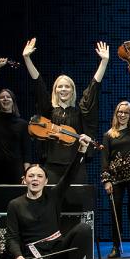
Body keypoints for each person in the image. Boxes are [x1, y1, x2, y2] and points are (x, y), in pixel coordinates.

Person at [5, 136, 96, 259]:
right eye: (31, 176)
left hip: (58, 252)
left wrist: (81, 150)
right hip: (35, 255)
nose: (35, 179)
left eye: (40, 176)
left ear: (46, 181)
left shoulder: (53, 196)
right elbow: (12, 237)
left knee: (84, 229)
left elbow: (69, 176)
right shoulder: (15, 204)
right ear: (24, 180)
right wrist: (18, 255)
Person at [22, 37, 109, 183]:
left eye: (67, 86)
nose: (63, 89)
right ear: (55, 90)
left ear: (72, 90)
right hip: (51, 168)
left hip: (75, 167)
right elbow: (39, 84)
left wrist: (104, 62)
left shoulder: (79, 111)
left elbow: (93, 88)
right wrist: (27, 58)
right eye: (60, 86)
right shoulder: (48, 111)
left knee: (77, 204)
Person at [100, 78, 130, 258]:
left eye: (126, 113)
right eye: (120, 112)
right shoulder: (108, 135)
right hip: (116, 178)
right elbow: (104, 158)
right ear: (116, 113)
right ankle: (116, 246)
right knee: (116, 211)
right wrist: (106, 180)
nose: (122, 115)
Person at [0, 59, 31, 186]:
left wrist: (27, 174)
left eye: (8, 96)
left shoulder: (22, 124)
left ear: (13, 101)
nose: (5, 98)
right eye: (2, 97)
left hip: (16, 170)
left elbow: (27, 152)